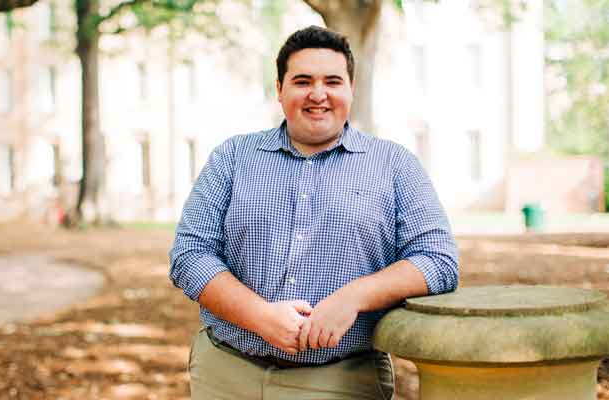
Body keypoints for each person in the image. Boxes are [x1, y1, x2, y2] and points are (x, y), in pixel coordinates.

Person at [169, 25, 459, 400]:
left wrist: (352, 298)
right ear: (279, 90)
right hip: (225, 375)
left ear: (350, 89)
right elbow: (190, 256)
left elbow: (439, 262)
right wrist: (260, 317)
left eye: (333, 82)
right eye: (302, 81)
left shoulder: (395, 165)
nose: (318, 94)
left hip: (341, 381)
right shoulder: (232, 158)